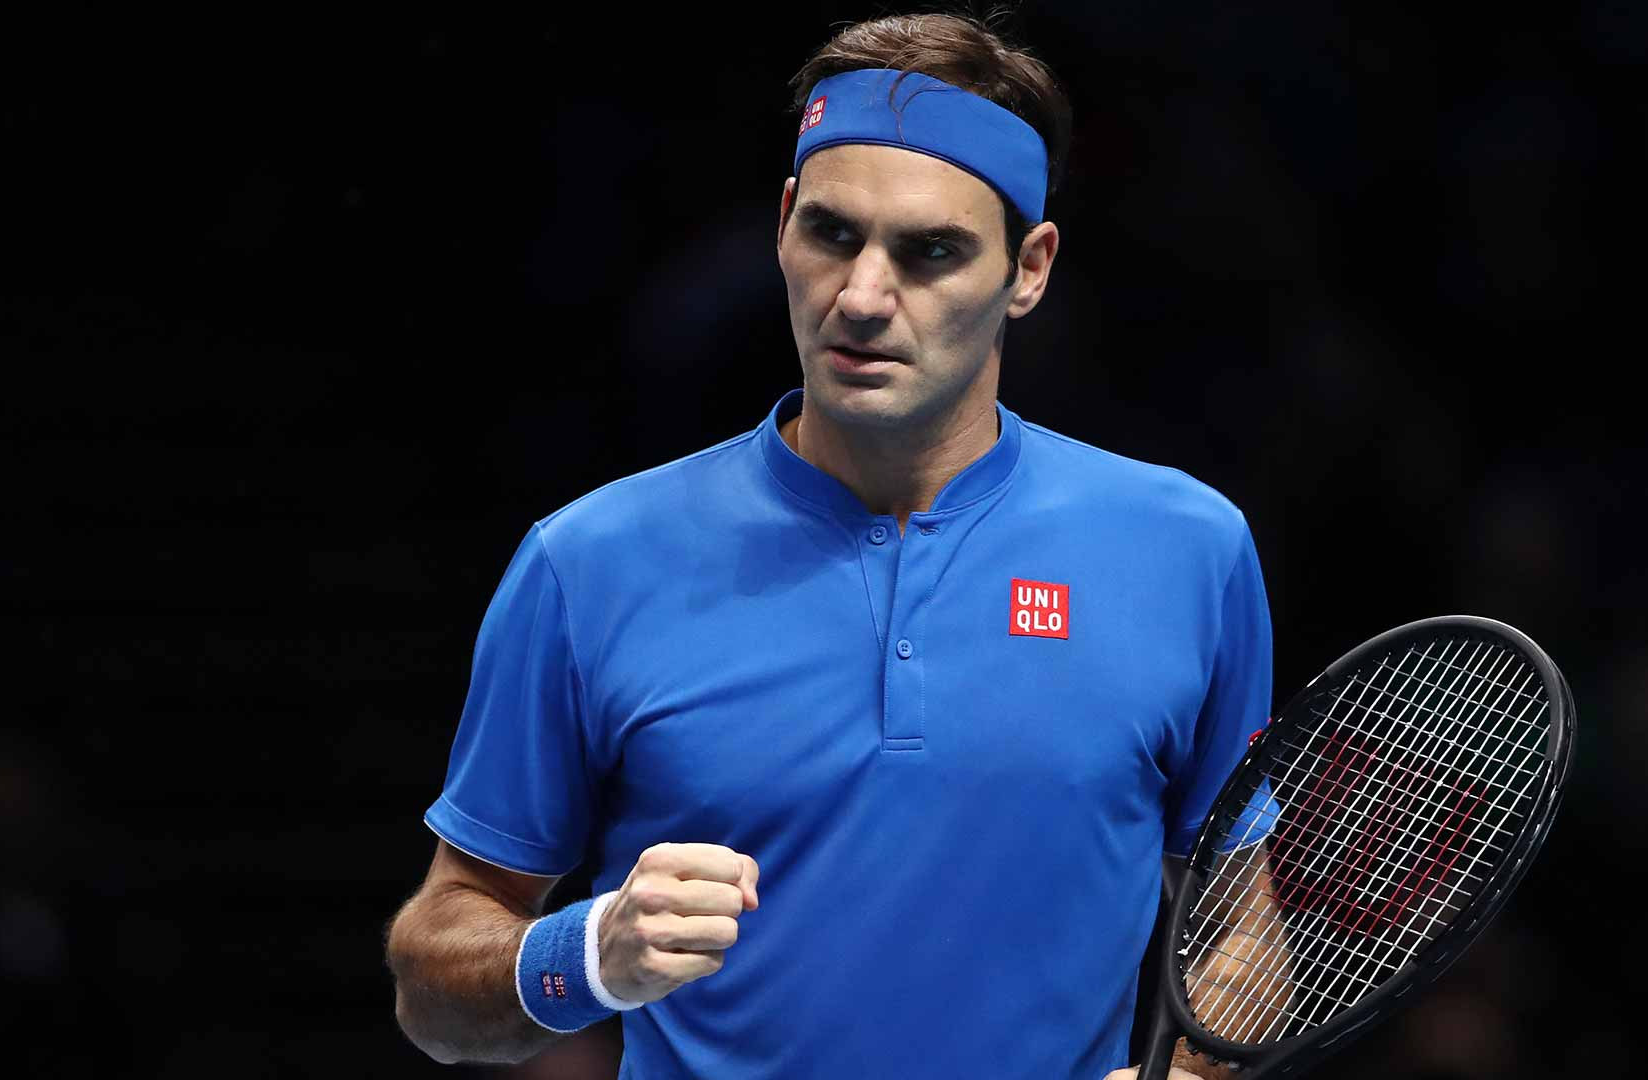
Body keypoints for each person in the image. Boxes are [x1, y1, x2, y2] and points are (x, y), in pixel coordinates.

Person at [385, 12, 1279, 1078]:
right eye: (833, 234)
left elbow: (1242, 926)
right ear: (782, 226)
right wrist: (587, 955)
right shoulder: (586, 564)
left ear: (1029, 269)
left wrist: (1193, 1077)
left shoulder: (1188, 552)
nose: (860, 297)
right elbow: (433, 992)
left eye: (930, 252)